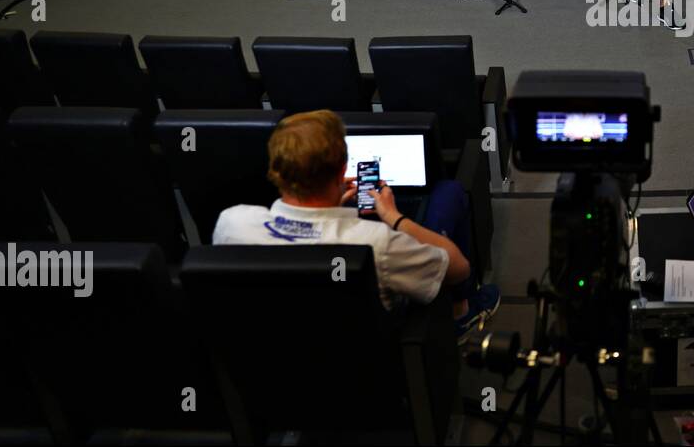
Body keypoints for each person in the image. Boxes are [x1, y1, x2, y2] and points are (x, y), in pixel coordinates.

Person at [213, 110, 499, 335]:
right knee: (448, 193)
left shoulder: (232, 222)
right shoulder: (374, 242)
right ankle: (461, 315)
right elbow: (458, 268)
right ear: (342, 169)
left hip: (267, 352)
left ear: (275, 168)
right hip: (375, 351)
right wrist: (394, 218)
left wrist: (328, 209)